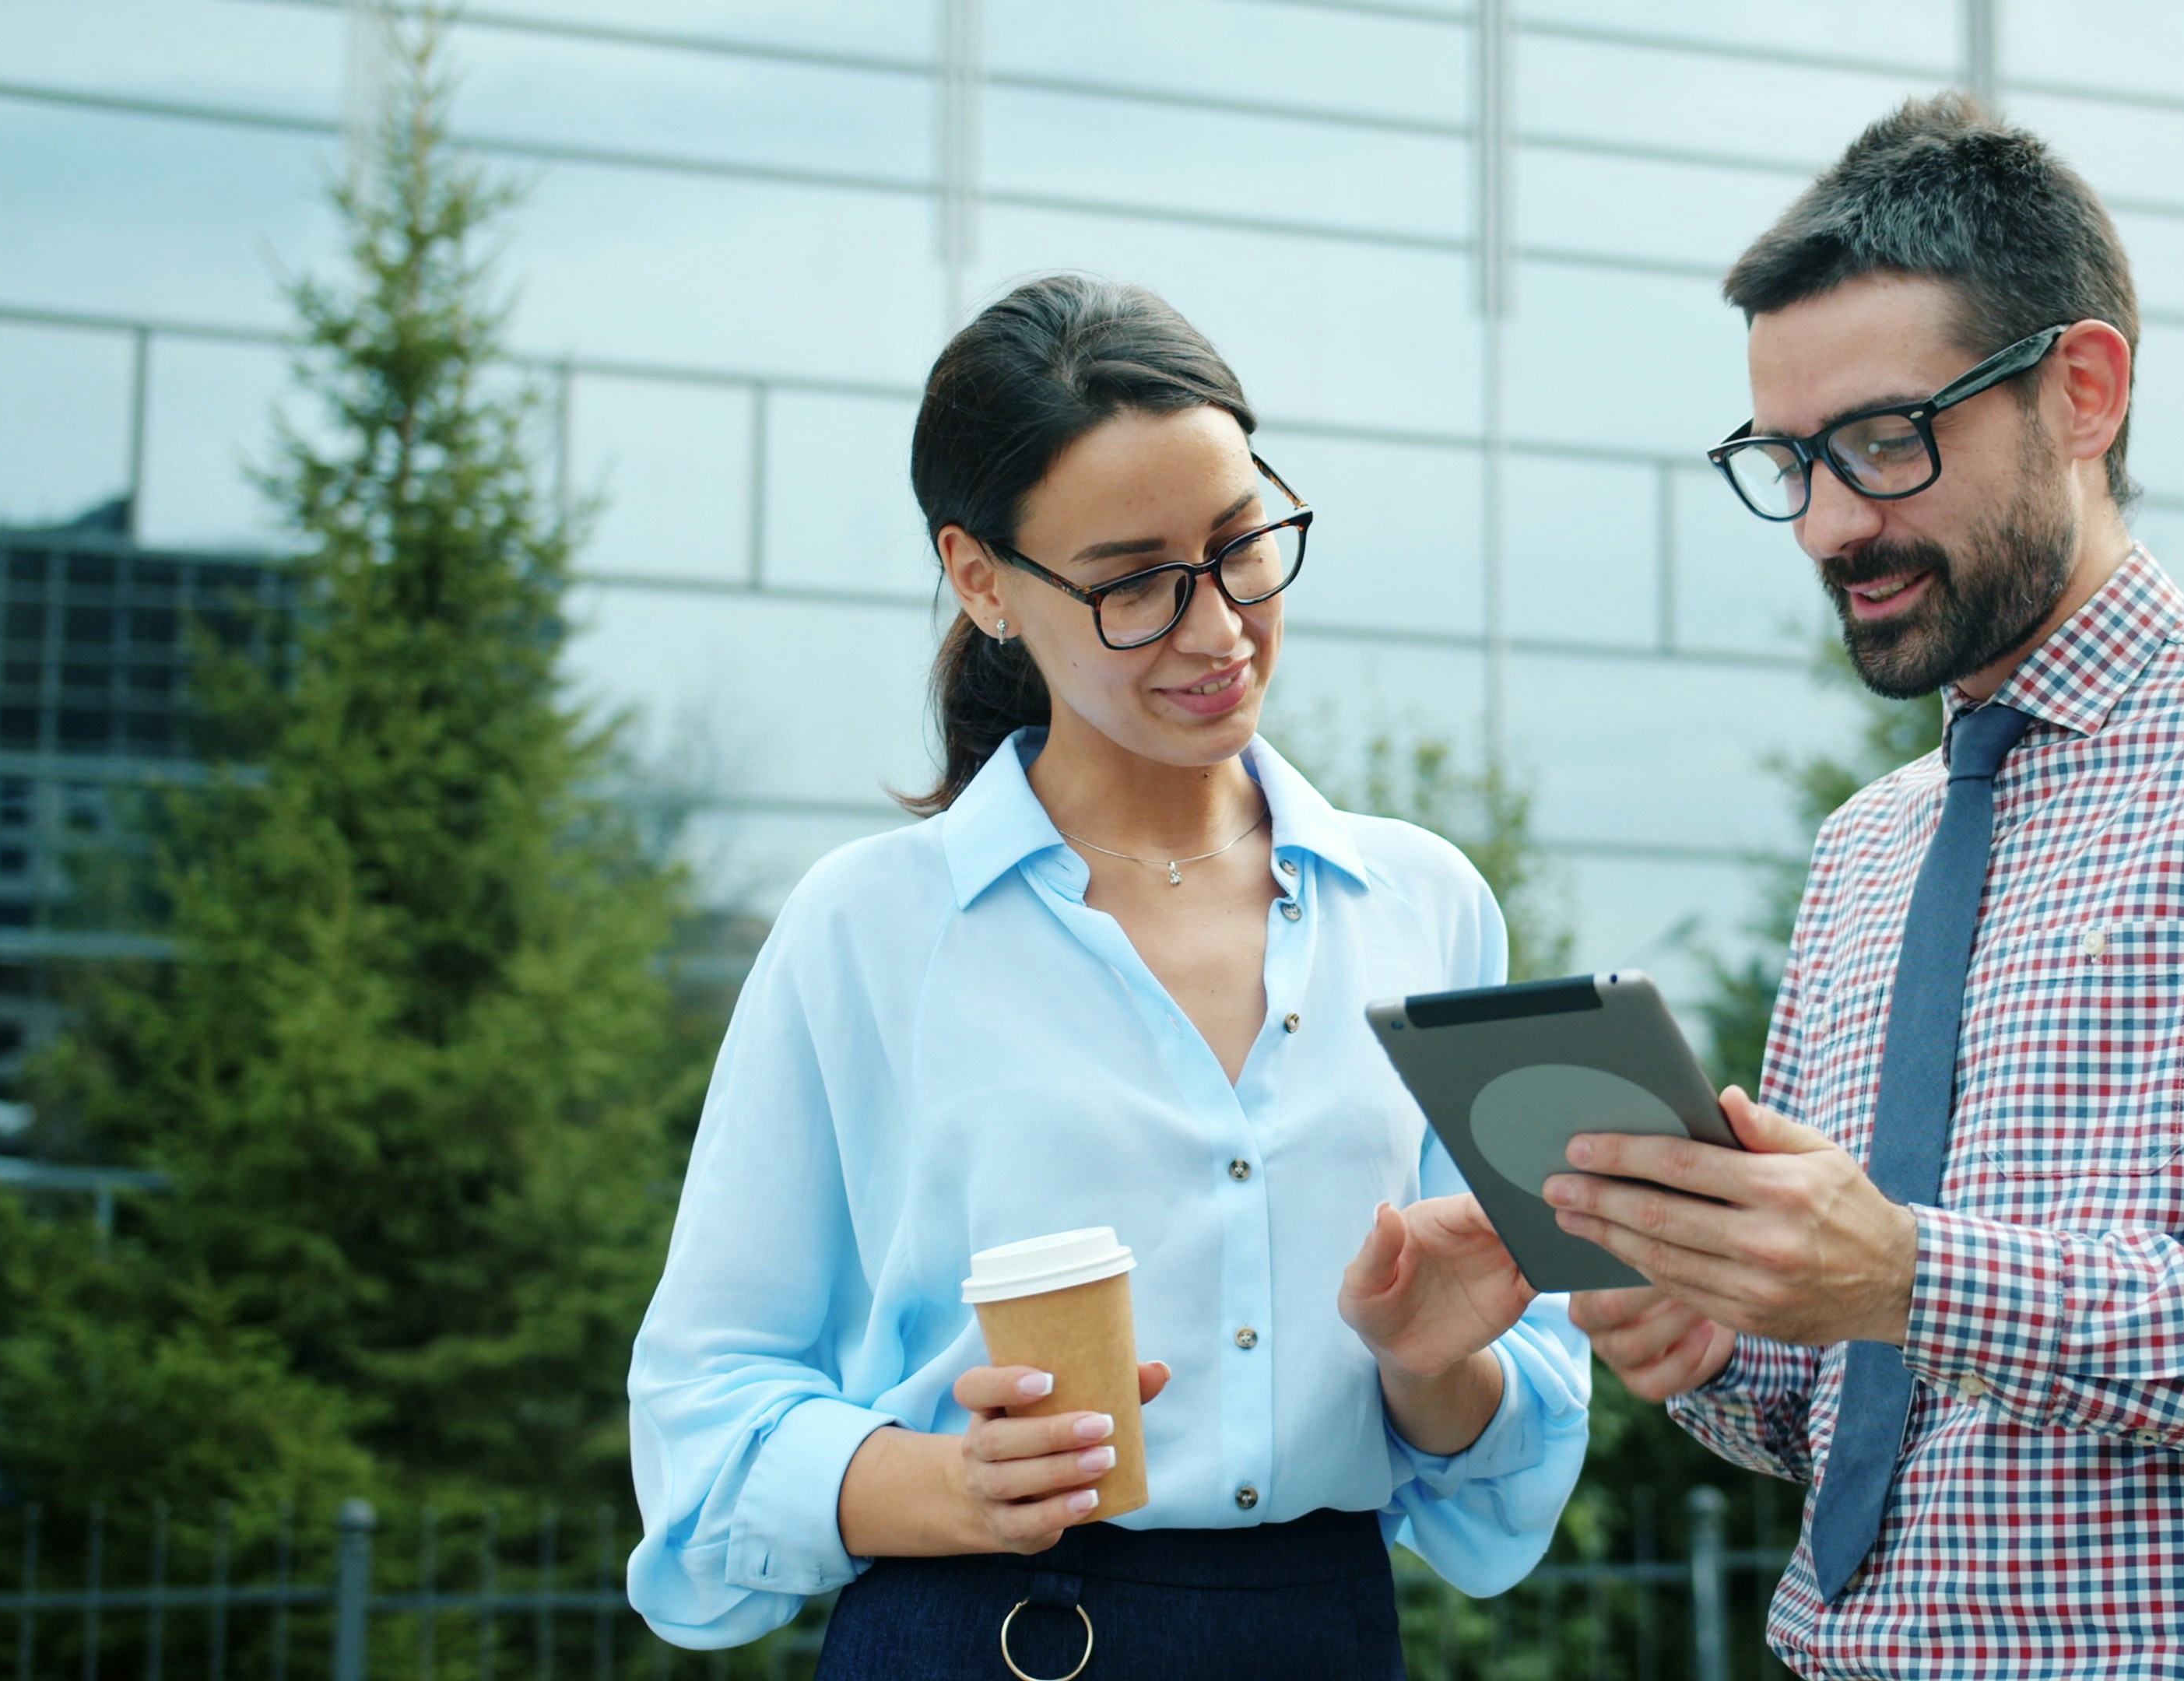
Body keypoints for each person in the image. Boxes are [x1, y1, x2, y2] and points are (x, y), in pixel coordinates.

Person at [1553, 94, 2184, 1680]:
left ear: (2082, 392)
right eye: (1788, 459)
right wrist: (1710, 1338)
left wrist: (1916, 1274)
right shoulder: (1867, 848)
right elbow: (1830, 1418)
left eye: (1884, 440)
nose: (1827, 524)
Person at [624, 275, 1589, 1678]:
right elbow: (702, 1419)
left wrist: (1430, 1363)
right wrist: (946, 1487)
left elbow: (1505, 1482)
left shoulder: (1427, 905)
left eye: (1242, 544)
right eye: (1134, 582)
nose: (1217, 630)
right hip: (980, 1635)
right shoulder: (866, 930)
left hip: (1326, 1638)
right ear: (980, 578)